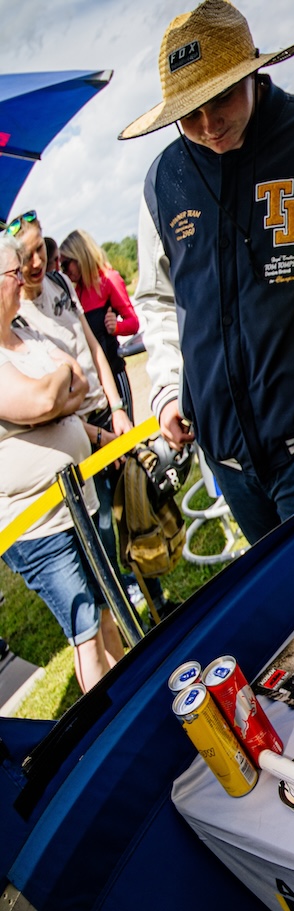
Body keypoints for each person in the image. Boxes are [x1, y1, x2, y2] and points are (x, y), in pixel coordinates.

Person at [123, 0, 294, 546]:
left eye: (222, 98)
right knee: (281, 591)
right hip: (226, 455)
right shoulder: (162, 179)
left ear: (253, 72)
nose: (209, 125)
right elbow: (157, 297)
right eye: (190, 113)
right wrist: (166, 389)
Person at [0, 233, 125, 692]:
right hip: (37, 527)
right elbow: (41, 399)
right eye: (13, 273)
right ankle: (109, 723)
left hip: (78, 502)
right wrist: (54, 394)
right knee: (86, 633)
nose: (22, 279)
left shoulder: (25, 332)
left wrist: (54, 400)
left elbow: (75, 380)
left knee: (108, 607)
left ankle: (130, 694)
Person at [11, 214, 155, 609]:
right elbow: (50, 401)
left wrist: (118, 407)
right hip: (79, 432)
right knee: (103, 523)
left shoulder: (60, 283)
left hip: (106, 412)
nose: (37, 262)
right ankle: (121, 605)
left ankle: (155, 596)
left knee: (137, 506)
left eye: (40, 250)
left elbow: (92, 346)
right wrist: (98, 435)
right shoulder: (17, 317)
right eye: (26, 256)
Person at [59, 230, 141, 431]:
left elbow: (133, 322)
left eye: (66, 264)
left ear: (80, 257)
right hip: (96, 386)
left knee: (127, 435)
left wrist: (117, 327)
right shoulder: (75, 293)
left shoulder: (109, 280)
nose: (64, 271)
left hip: (115, 371)